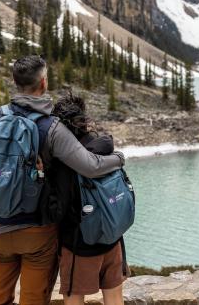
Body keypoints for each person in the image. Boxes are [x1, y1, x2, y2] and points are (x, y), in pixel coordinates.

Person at [0, 55, 125, 305]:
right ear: (43, 82)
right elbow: (90, 166)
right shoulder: (51, 127)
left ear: (15, 82)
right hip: (37, 232)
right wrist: (118, 158)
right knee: (34, 299)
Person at [51, 93, 129, 305]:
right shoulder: (106, 150)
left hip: (78, 245)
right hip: (113, 239)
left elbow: (58, 210)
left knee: (74, 300)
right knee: (115, 299)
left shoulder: (65, 161)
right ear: (84, 121)